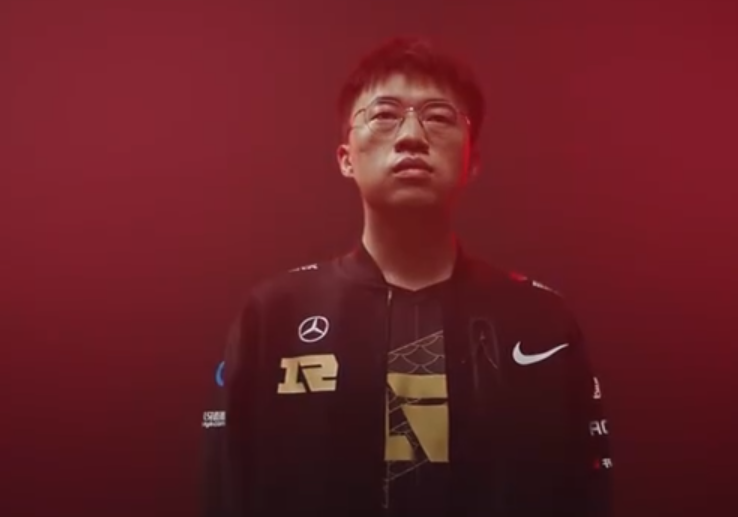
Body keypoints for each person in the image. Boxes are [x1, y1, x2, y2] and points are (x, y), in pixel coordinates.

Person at [201, 37, 613, 517]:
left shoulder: (542, 322)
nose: (412, 136)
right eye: (384, 114)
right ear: (346, 157)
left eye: (438, 117)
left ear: (472, 160)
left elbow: (588, 493)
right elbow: (226, 487)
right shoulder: (274, 315)